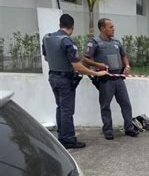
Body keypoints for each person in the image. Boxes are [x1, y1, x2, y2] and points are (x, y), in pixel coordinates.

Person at [42, 14, 108, 149]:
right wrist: (96, 73)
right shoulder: (67, 41)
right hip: (64, 80)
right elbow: (77, 66)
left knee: (60, 108)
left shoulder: (47, 38)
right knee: (67, 110)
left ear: (60, 24)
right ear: (72, 27)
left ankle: (61, 136)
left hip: (53, 77)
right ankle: (68, 140)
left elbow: (47, 58)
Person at [82, 18, 138, 140]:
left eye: (113, 27)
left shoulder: (117, 42)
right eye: (111, 27)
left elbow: (124, 55)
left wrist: (127, 65)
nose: (114, 29)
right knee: (105, 106)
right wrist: (98, 65)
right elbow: (85, 59)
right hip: (105, 80)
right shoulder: (94, 43)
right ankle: (108, 130)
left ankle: (129, 128)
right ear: (102, 28)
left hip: (118, 79)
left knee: (126, 104)